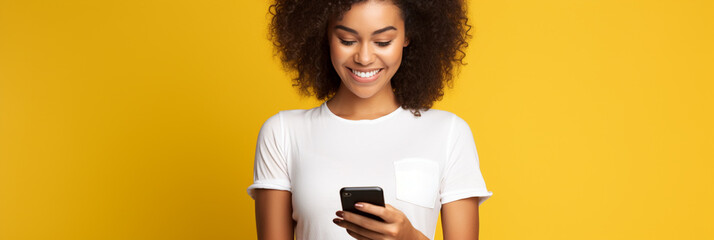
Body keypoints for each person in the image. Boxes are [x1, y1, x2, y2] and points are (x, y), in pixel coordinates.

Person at [247, 0, 492, 239]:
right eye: (347, 40)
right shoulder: (283, 133)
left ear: (408, 35)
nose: (364, 58)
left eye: (383, 42)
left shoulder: (448, 133)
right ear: (324, 33)